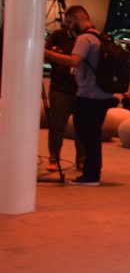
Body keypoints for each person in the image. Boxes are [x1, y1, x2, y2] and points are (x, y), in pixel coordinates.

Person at [43, 5, 115, 186]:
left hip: (88, 94)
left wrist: (46, 53)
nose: (68, 26)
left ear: (77, 19)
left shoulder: (84, 38)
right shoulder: (100, 37)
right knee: (92, 135)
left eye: (69, 22)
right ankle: (91, 173)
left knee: (85, 133)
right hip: (103, 94)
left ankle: (90, 175)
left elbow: (73, 61)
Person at [44, 12, 85, 172]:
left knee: (82, 127)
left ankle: (82, 159)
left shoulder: (85, 38)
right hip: (60, 88)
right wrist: (53, 54)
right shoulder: (58, 35)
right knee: (57, 125)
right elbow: (44, 56)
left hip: (82, 89)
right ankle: (54, 158)